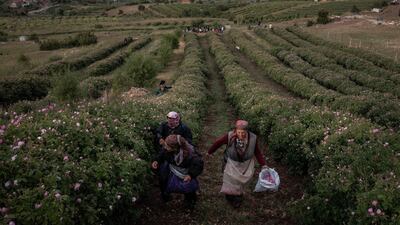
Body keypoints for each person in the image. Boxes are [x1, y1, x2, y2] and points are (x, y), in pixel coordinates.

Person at [206, 120, 268, 208]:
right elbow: (218, 143)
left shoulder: (253, 138)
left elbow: (257, 152)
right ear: (236, 130)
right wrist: (209, 152)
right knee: (230, 181)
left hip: (245, 164)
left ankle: (238, 198)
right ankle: (230, 196)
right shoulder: (230, 136)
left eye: (243, 132)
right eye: (239, 132)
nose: (241, 134)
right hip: (230, 162)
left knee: (239, 182)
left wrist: (263, 164)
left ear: (247, 131)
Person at [151, 134, 203, 209]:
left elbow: (198, 165)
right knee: (163, 179)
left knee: (188, 187)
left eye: (167, 146)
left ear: (175, 148)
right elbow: (161, 154)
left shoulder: (191, 155)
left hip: (185, 171)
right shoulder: (167, 149)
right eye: (165, 145)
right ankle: (165, 195)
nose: (165, 147)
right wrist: (156, 161)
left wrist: (190, 175)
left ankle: (190, 202)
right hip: (172, 168)